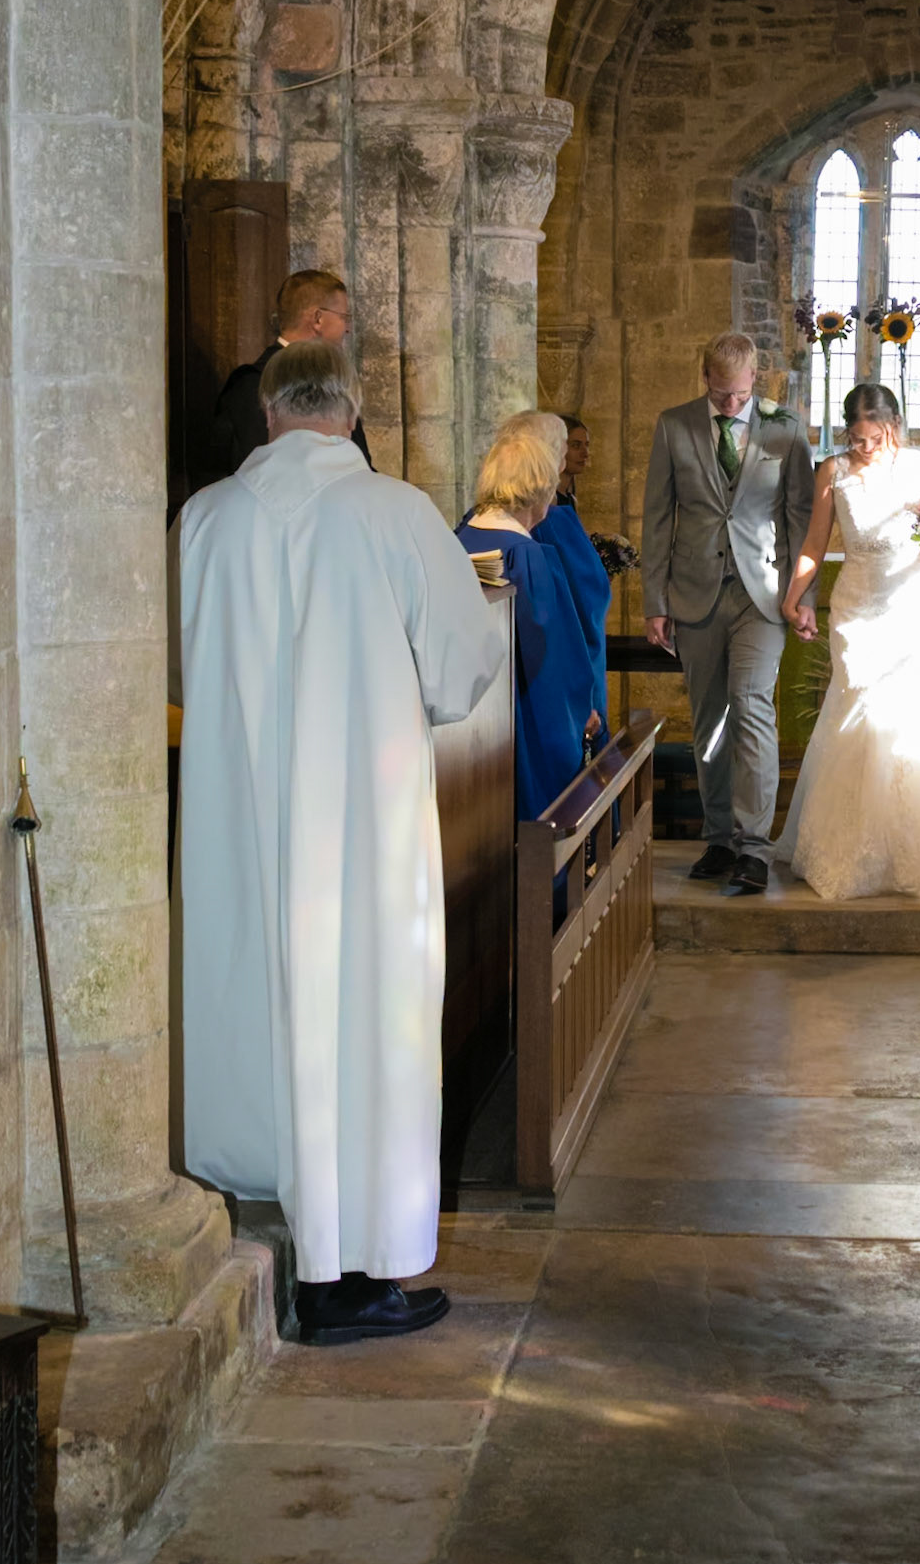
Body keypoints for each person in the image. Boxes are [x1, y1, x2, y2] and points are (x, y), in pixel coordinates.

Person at [171, 342, 503, 1345]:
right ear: (351, 415)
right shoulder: (396, 514)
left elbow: (180, 672)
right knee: (364, 1019)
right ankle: (351, 1270)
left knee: (252, 991)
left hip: (237, 818)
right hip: (361, 824)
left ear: (268, 415)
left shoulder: (204, 520)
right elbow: (461, 667)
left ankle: (266, 1213)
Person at [774, 383, 920, 901]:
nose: (865, 448)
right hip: (856, 606)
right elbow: (814, 541)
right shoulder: (832, 471)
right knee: (857, 711)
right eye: (856, 438)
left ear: (893, 426)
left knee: (914, 713)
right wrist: (796, 593)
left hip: (910, 603)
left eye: (874, 438)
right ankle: (850, 849)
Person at [640, 332, 815, 896]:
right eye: (721, 394)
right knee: (709, 717)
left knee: (752, 705)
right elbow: (657, 517)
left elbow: (800, 519)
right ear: (704, 377)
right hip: (694, 596)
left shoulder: (785, 429)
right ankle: (717, 839)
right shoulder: (674, 425)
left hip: (762, 597)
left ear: (754, 382)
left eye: (741, 395)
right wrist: (654, 603)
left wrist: (802, 597)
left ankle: (754, 848)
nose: (732, 404)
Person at [457, 416, 603, 826]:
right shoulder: (528, 556)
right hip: (525, 718)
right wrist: (582, 712)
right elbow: (550, 657)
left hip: (468, 730)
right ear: (538, 489)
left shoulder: (460, 538)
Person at [213, 268, 373, 472]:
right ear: (318, 319)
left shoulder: (336, 382)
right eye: (344, 317)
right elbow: (259, 471)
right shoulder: (252, 386)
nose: (348, 329)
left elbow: (361, 466)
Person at [554, 416, 589, 513]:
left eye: (586, 445)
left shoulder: (571, 499)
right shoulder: (546, 502)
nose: (585, 453)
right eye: (575, 445)